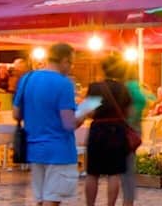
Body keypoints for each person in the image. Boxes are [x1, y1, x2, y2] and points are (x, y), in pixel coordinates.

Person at [16, 43, 82, 206]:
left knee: (40, 199)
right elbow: (68, 123)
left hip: (34, 148)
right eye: (71, 63)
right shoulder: (64, 83)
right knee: (52, 199)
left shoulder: (27, 79)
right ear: (65, 60)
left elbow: (16, 114)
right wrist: (84, 114)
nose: (71, 67)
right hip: (59, 149)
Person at [82, 58, 136, 206]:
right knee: (114, 173)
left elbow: (87, 112)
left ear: (103, 69)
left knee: (92, 172)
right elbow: (130, 112)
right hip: (117, 131)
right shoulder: (123, 88)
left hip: (98, 130)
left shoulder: (95, 87)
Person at [120, 67, 155, 206]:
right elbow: (147, 101)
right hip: (132, 130)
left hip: (121, 129)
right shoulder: (136, 88)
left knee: (116, 172)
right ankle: (128, 202)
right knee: (128, 167)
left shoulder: (124, 87)